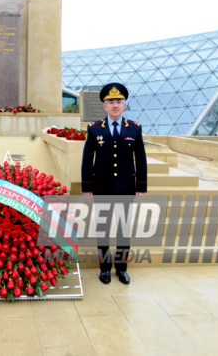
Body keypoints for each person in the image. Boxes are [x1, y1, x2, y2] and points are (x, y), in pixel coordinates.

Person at [81, 83, 147, 285]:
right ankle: (105, 269)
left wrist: (140, 187)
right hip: (102, 187)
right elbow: (87, 160)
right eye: (111, 102)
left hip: (126, 187)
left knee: (123, 231)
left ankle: (122, 268)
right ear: (105, 106)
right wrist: (87, 187)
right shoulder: (94, 130)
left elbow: (141, 159)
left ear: (124, 105)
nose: (115, 105)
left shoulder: (134, 129)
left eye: (119, 102)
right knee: (103, 229)